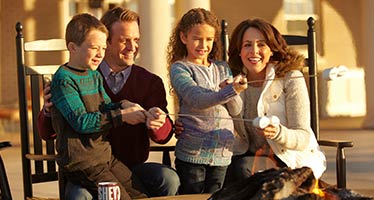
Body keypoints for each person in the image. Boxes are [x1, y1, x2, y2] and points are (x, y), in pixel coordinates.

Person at [38, 7, 180, 198]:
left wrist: (154, 119)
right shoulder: (70, 77)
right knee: (83, 196)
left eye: (136, 40)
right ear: (107, 39)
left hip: (117, 162)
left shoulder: (148, 82)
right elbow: (51, 131)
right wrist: (48, 111)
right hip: (85, 165)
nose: (132, 47)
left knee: (158, 184)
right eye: (124, 40)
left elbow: (164, 136)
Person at [49, 13, 147, 199]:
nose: (101, 54)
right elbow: (81, 122)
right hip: (82, 163)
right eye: (94, 48)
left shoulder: (93, 75)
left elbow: (104, 106)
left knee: (140, 193)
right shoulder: (64, 80)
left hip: (104, 157)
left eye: (103, 47)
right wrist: (122, 116)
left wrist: (122, 104)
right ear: (72, 47)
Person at [223, 18, 326, 186]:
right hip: (248, 155)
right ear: (239, 51)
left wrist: (278, 133)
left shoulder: (290, 78)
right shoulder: (233, 83)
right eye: (247, 45)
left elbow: (303, 137)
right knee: (221, 172)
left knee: (243, 168)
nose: (254, 51)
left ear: (272, 50)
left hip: (288, 158)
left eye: (261, 44)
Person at [167, 8, 247, 194]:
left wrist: (233, 90)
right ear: (183, 37)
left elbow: (236, 110)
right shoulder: (180, 69)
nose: (203, 45)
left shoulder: (221, 67)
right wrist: (229, 90)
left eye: (209, 39)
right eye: (197, 38)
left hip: (223, 153)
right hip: (192, 153)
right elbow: (197, 99)